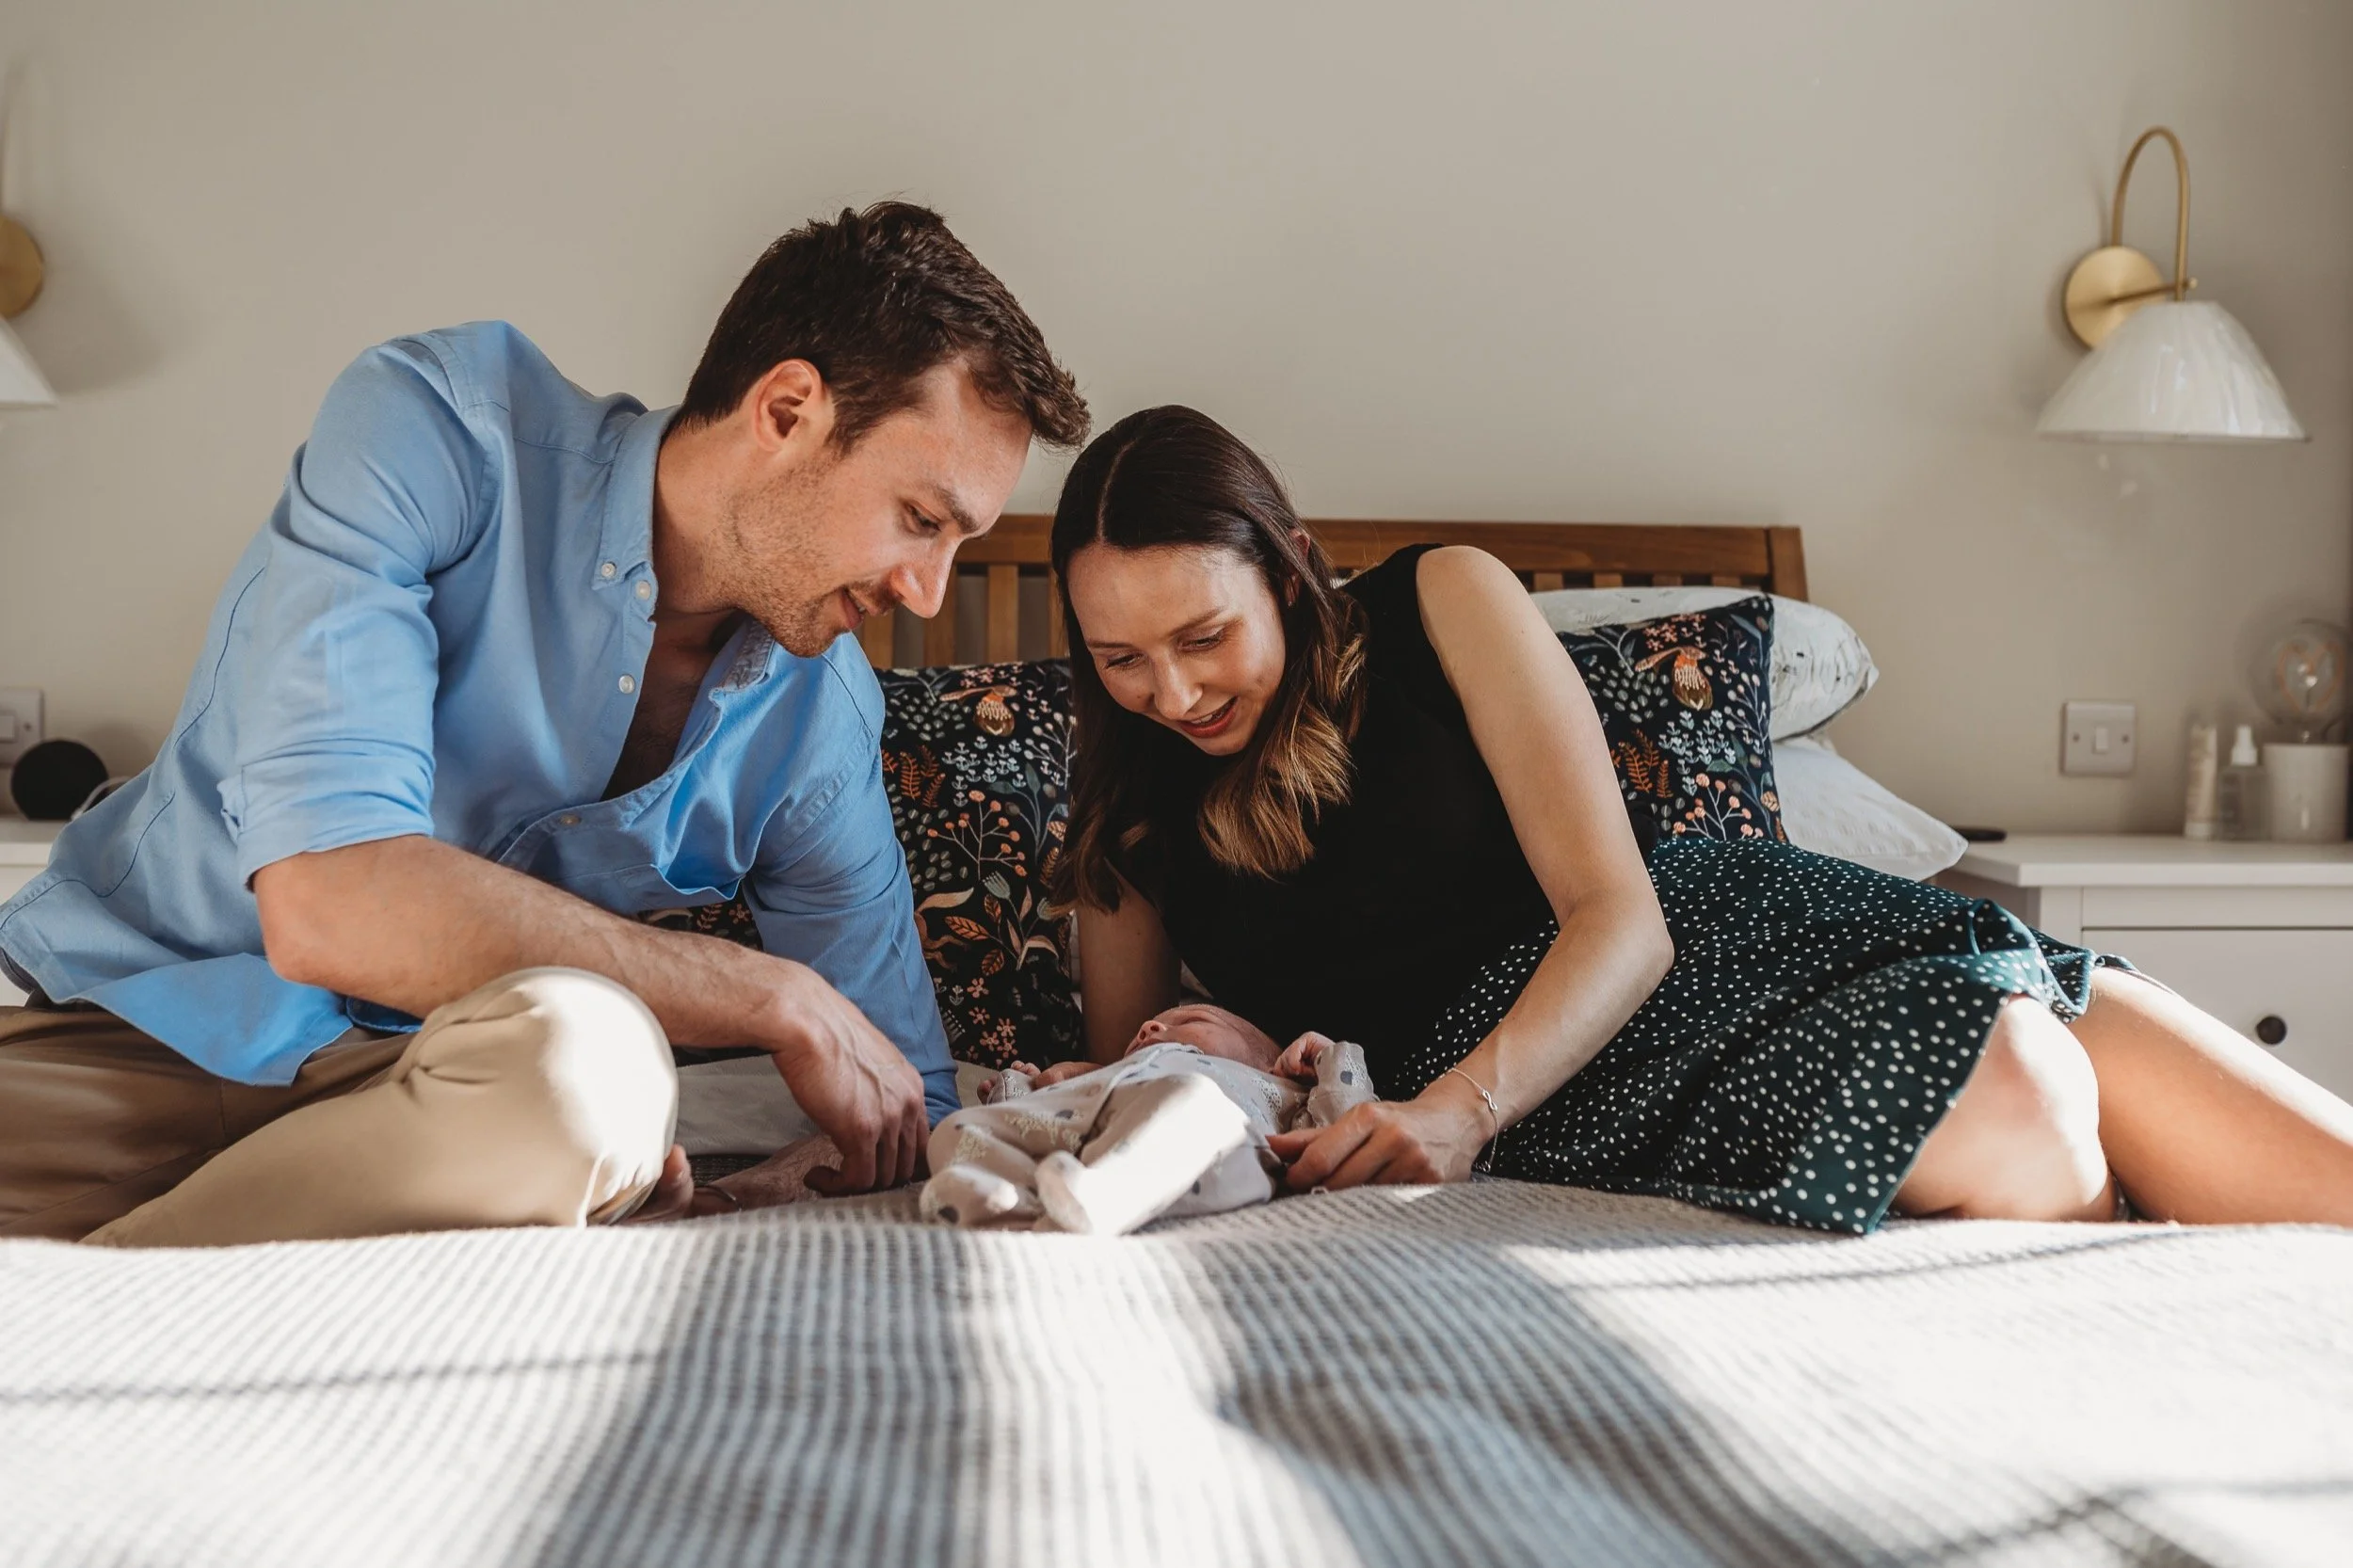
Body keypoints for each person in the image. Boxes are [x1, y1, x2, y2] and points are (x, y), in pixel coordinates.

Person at [0, 202, 1089, 1247]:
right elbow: (329, 901)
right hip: (138, 1033)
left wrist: (814, 1161)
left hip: (446, 1112)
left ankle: (75, 1307)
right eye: (920, 520)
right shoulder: (437, 429)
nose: (930, 592)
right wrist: (767, 991)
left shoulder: (818, 718)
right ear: (789, 410)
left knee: (597, 1068)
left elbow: (899, 1089)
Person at [1048, 405, 2353, 1233]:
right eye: (1120, 658)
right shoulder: (1127, 814)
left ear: (1286, 567)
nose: (1174, 690)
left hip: (1709, 937)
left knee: (2278, 1142)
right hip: (1570, 1078)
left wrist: (1454, 1110)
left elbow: (1620, 914)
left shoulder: (1441, 598)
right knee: (2021, 1081)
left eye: (1205, 634)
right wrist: (1274, 1050)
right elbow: (1139, 1074)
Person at [921, 1001, 1373, 1234]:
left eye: (1191, 1018)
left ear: (1268, 1063)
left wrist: (1332, 1058)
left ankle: (1098, 1196)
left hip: (1217, 1151)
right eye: (1149, 1027)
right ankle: (1019, 1204)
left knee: (1189, 1097)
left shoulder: (1273, 1093)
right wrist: (1027, 1088)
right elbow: (1030, 1120)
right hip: (1090, 1135)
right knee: (952, 1131)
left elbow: (1343, 1128)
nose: (1151, 1028)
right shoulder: (1111, 1077)